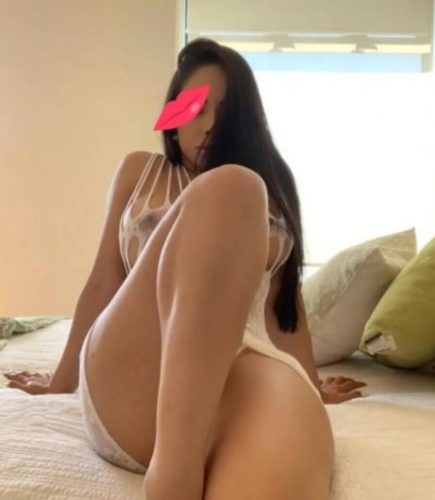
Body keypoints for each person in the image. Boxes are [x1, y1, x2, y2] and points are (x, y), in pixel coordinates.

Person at [4, 38, 367, 499]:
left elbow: (284, 308)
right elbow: (103, 283)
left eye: (225, 112)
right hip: (135, 370)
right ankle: (173, 476)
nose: (209, 124)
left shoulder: (276, 188)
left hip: (239, 368)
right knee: (232, 190)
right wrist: (61, 383)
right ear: (173, 120)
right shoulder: (141, 171)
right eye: (195, 109)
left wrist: (310, 385)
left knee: (295, 418)